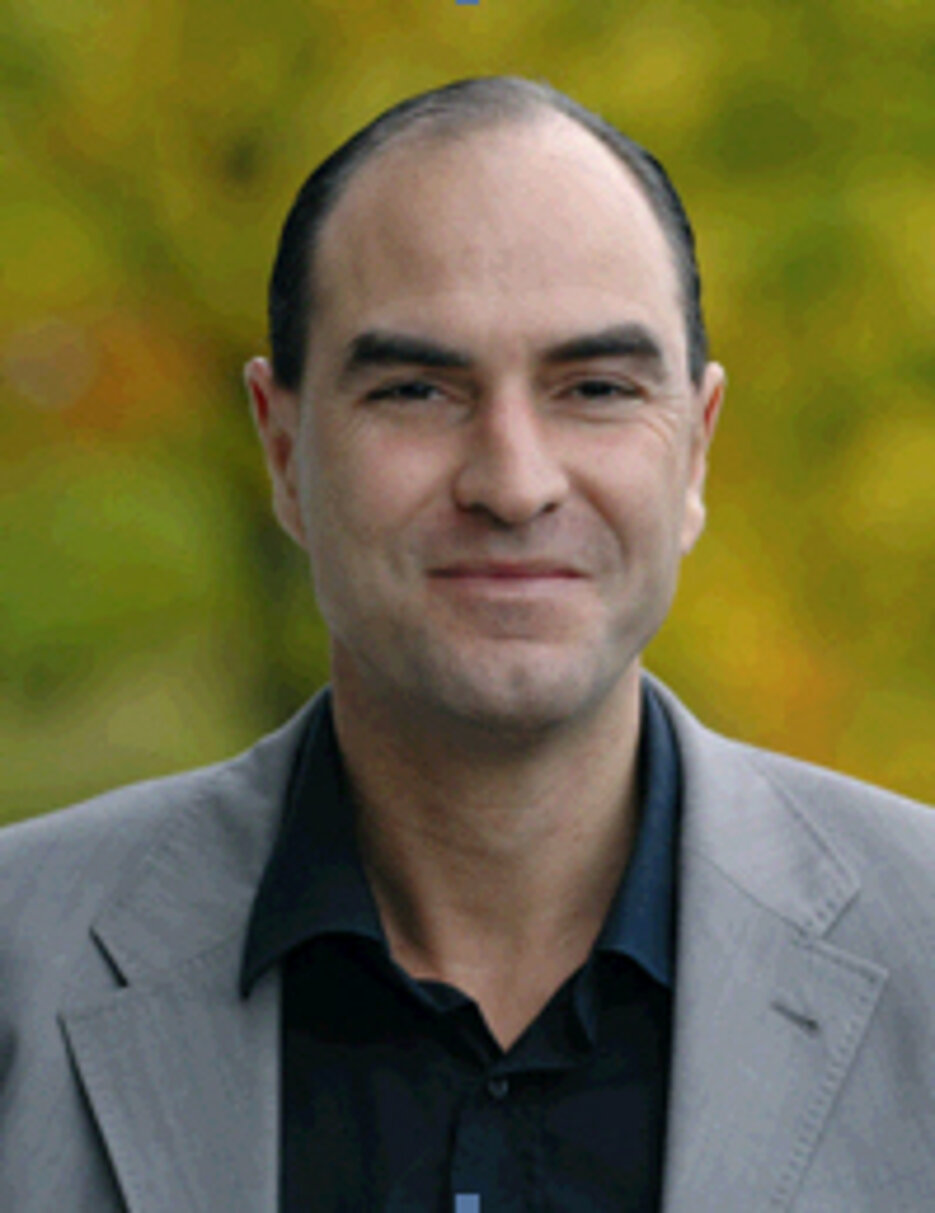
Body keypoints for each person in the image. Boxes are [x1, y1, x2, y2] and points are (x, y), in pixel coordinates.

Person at [1, 74, 932, 1213]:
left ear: (693, 449)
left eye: (595, 387)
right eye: (415, 390)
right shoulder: (17, 965)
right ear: (283, 451)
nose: (513, 481)